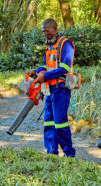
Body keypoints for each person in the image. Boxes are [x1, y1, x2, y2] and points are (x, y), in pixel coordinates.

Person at [26, 18, 76, 157]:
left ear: (54, 29)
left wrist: (45, 76)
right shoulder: (49, 45)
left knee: (60, 123)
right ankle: (51, 152)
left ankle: (69, 155)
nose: (44, 34)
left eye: (46, 31)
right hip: (49, 89)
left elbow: (65, 67)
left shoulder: (66, 44)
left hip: (61, 89)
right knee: (48, 122)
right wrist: (36, 72)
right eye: (43, 32)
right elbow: (45, 66)